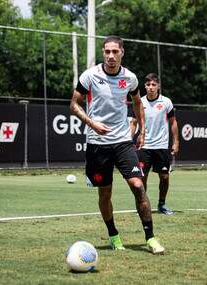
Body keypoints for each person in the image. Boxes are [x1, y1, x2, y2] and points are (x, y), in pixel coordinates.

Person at [70, 35, 164, 254]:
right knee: (105, 194)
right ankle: (113, 235)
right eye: (107, 52)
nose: (111, 56)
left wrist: (142, 130)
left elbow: (137, 102)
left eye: (115, 51)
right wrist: (92, 123)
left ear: (122, 52)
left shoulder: (130, 78)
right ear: (103, 53)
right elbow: (74, 105)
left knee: (138, 186)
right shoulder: (90, 76)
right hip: (97, 145)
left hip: (122, 142)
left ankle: (150, 238)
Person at [130, 73, 179, 215]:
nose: (151, 87)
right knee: (141, 178)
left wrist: (176, 142)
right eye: (148, 85)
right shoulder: (139, 102)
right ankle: (142, 204)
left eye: (153, 85)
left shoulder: (166, 102)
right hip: (144, 147)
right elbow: (133, 123)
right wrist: (129, 139)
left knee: (164, 177)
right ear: (144, 86)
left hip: (162, 146)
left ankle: (161, 204)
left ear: (158, 86)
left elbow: (173, 122)